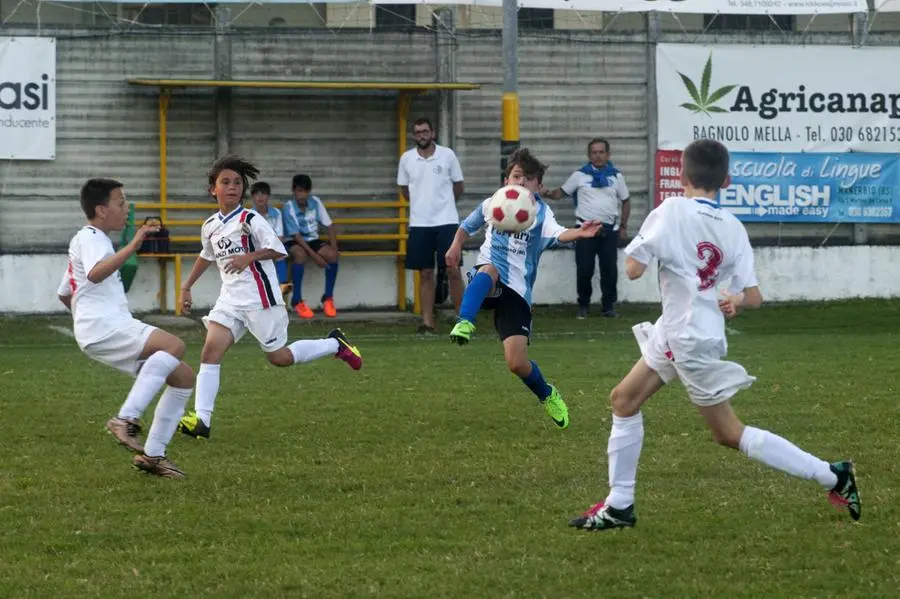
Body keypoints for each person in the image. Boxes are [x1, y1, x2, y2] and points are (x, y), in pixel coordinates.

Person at [568, 139, 860, 531]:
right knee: (623, 400)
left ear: (683, 176)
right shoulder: (733, 226)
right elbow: (754, 297)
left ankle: (833, 475)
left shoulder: (670, 210)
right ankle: (620, 505)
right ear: (726, 180)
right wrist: (734, 299)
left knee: (728, 433)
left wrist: (651, 254)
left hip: (688, 341)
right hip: (681, 333)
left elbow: (635, 268)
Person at [177, 156, 362, 440]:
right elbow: (207, 255)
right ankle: (202, 420)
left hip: (260, 299)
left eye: (237, 182)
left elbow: (278, 249)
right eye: (225, 182)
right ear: (212, 189)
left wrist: (249, 256)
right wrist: (186, 286)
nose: (232, 187)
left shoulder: (250, 220)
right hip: (230, 301)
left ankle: (333, 344)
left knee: (279, 358)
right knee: (209, 351)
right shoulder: (210, 225)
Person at [445, 148, 602, 430]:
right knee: (489, 269)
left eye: (529, 179)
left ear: (538, 187)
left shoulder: (541, 213)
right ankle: (465, 322)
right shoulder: (494, 203)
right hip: (489, 279)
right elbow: (466, 227)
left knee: (516, 363)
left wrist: (578, 232)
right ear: (507, 180)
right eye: (517, 176)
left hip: (517, 292)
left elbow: (558, 233)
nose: (521, 182)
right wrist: (455, 245)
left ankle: (547, 394)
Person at [57, 178, 196, 479]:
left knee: (184, 377)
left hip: (101, 327)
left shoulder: (87, 240)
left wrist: (85, 319)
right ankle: (125, 418)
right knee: (174, 346)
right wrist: (134, 244)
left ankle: (153, 456)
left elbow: (65, 293)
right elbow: (95, 274)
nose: (126, 208)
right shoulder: (92, 237)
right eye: (120, 202)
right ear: (102, 210)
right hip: (106, 326)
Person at [542, 138, 630, 319]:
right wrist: (546, 193)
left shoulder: (616, 177)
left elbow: (626, 200)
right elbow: (562, 193)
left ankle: (608, 306)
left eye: (601, 152)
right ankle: (583, 305)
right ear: (589, 155)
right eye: (594, 152)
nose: (598, 156)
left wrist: (623, 226)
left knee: (609, 270)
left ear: (608, 154)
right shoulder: (579, 176)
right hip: (584, 230)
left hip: (609, 230)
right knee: (584, 270)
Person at [397, 117, 465, 333]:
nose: (422, 136)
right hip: (419, 224)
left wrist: (442, 204)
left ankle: (464, 320)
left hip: (447, 222)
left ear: (433, 133)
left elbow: (459, 186)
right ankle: (427, 322)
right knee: (425, 273)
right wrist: (422, 205)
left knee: (453, 270)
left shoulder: (447, 155)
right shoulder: (406, 159)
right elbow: (404, 190)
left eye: (425, 131)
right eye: (417, 132)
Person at [282, 174, 340, 319]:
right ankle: (297, 299)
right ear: (293, 191)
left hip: (312, 239)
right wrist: (316, 257)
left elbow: (329, 225)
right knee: (300, 254)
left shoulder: (315, 202)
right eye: (299, 191)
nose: (302, 195)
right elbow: (296, 236)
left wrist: (334, 248)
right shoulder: (288, 207)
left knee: (332, 255)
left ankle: (328, 298)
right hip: (295, 240)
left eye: (305, 191)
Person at [249, 181, 290, 296]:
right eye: (257, 194)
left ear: (268, 196)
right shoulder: (249, 215)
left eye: (263, 194)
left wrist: (273, 250)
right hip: (256, 248)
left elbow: (280, 236)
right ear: (252, 197)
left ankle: (283, 286)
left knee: (280, 254)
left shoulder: (276, 212)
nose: (260, 197)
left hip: (272, 246)